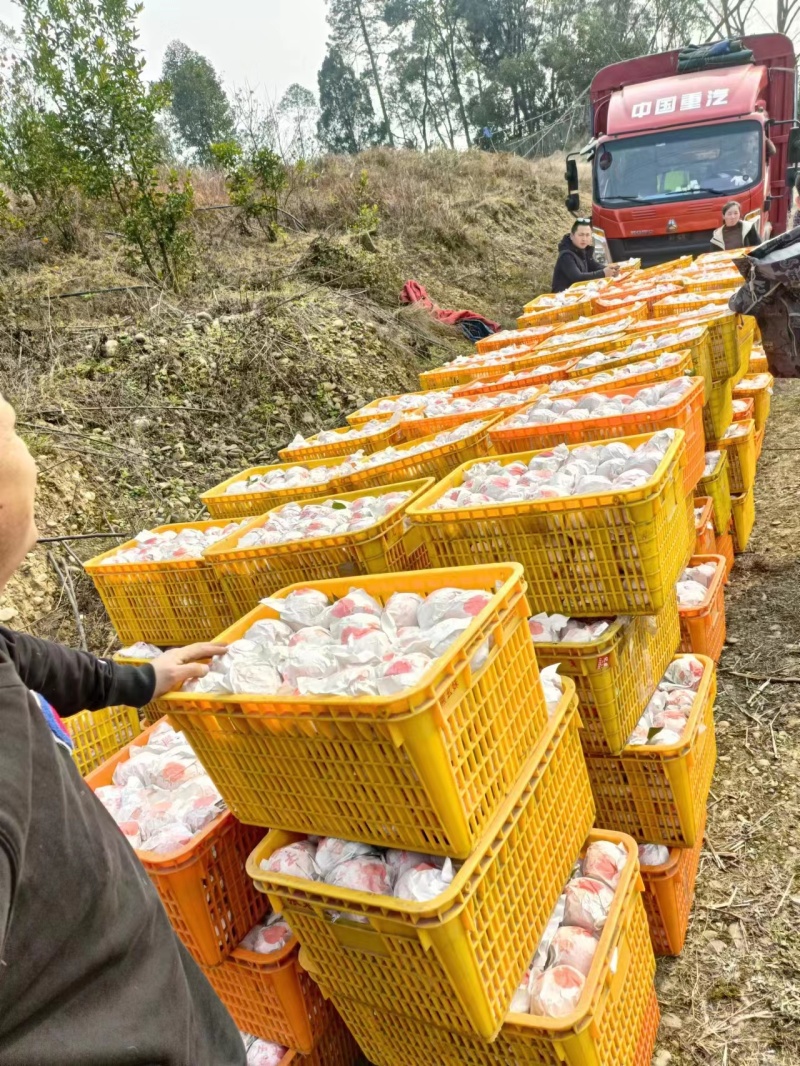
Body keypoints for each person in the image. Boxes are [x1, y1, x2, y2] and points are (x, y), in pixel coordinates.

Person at [0, 393, 247, 1065]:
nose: (29, 458)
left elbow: (31, 658)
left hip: (156, 1000)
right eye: (14, 435)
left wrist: (142, 679)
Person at [551, 219, 620, 293]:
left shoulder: (584, 251)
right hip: (562, 297)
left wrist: (610, 270)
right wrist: (603, 273)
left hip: (580, 293)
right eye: (581, 235)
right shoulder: (566, 256)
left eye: (587, 235)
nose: (584, 239)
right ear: (571, 236)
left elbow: (594, 266)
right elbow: (577, 278)